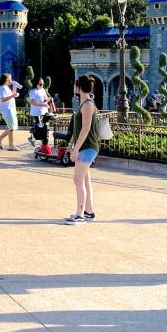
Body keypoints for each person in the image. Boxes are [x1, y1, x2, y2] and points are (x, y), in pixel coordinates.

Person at [66, 74, 100, 225]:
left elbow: (85, 129)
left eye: (75, 85)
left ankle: (79, 215)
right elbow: (78, 129)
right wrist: (72, 144)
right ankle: (89, 212)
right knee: (85, 180)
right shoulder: (83, 104)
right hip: (85, 147)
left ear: (79, 87)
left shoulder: (88, 104)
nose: (74, 87)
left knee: (77, 179)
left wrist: (75, 149)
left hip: (88, 147)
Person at [0, 73, 20, 151]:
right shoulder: (2, 88)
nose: (11, 80)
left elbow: (13, 94)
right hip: (8, 110)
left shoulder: (6, 88)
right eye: (10, 78)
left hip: (11, 110)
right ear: (6, 79)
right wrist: (13, 96)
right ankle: (11, 145)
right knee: (12, 128)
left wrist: (15, 86)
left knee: (12, 127)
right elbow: (3, 99)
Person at [27, 76, 50, 147]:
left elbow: (46, 99)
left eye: (42, 84)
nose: (42, 86)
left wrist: (48, 101)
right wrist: (42, 104)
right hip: (36, 112)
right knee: (38, 126)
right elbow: (32, 102)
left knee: (44, 127)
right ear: (36, 83)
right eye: (40, 84)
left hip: (44, 111)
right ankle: (33, 137)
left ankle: (43, 141)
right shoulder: (33, 91)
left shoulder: (42, 90)